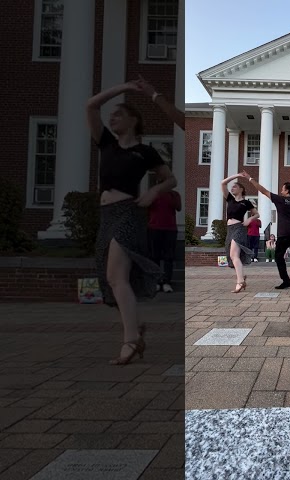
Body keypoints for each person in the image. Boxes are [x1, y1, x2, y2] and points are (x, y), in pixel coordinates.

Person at [87, 80, 177, 365]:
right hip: (107, 215)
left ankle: (131, 340)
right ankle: (134, 330)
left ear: (133, 120)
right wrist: (123, 87)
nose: (112, 118)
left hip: (129, 213)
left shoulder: (145, 152)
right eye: (111, 115)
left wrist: (153, 191)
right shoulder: (106, 142)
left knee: (117, 276)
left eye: (119, 114)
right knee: (113, 278)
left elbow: (170, 178)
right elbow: (91, 105)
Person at [241, 172, 290, 293]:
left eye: (283, 189)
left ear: (287, 191)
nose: (281, 191)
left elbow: (263, 190)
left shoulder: (281, 200)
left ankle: (286, 281)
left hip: (285, 234)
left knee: (278, 256)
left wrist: (250, 178)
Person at [221, 173, 259, 293]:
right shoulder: (230, 199)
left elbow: (257, 214)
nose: (232, 188)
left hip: (239, 228)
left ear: (241, 189)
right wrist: (237, 175)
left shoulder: (246, 203)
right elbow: (223, 183)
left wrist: (249, 219)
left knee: (234, 255)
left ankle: (240, 282)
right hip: (229, 229)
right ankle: (241, 277)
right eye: (232, 187)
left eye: (235, 187)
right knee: (232, 256)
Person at [148, 184, 181, 293]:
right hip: (154, 228)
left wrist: (171, 196)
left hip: (170, 229)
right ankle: (156, 282)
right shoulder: (153, 194)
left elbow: (178, 207)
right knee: (154, 256)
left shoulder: (174, 194)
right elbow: (146, 205)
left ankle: (167, 282)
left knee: (169, 257)